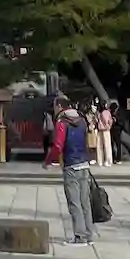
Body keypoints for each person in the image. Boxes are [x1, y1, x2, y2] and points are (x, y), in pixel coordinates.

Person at [44, 98, 95, 245]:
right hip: (84, 164)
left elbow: (58, 145)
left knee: (74, 203)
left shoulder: (62, 123)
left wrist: (48, 160)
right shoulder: (82, 121)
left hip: (71, 165)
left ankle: (79, 237)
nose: (54, 110)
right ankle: (89, 235)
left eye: (55, 107)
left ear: (60, 106)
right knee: (85, 202)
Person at [94, 100, 113, 168]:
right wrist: (109, 126)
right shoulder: (107, 112)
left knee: (99, 146)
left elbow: (95, 120)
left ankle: (100, 161)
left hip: (99, 130)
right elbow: (109, 120)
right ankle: (108, 161)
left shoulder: (97, 112)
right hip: (106, 130)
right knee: (107, 146)